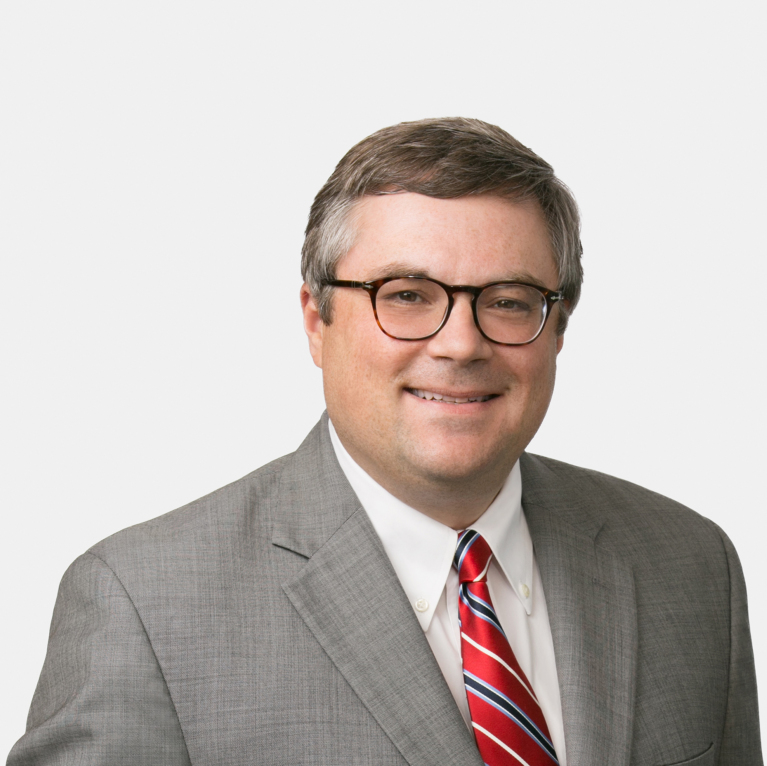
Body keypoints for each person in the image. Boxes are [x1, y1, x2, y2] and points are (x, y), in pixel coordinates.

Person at [8, 118, 762, 766]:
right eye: (406, 295)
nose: (460, 343)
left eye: (508, 301)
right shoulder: (142, 606)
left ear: (557, 329)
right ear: (316, 320)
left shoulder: (690, 566)